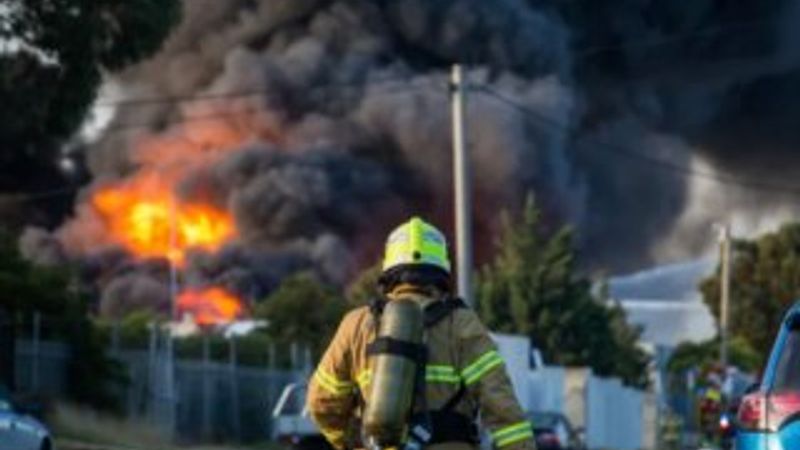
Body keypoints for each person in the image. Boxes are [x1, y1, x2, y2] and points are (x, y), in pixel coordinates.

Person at [307, 217, 536, 450]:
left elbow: (321, 402)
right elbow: (502, 408)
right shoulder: (462, 324)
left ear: (390, 269)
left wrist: (351, 441)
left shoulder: (356, 325)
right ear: (440, 270)